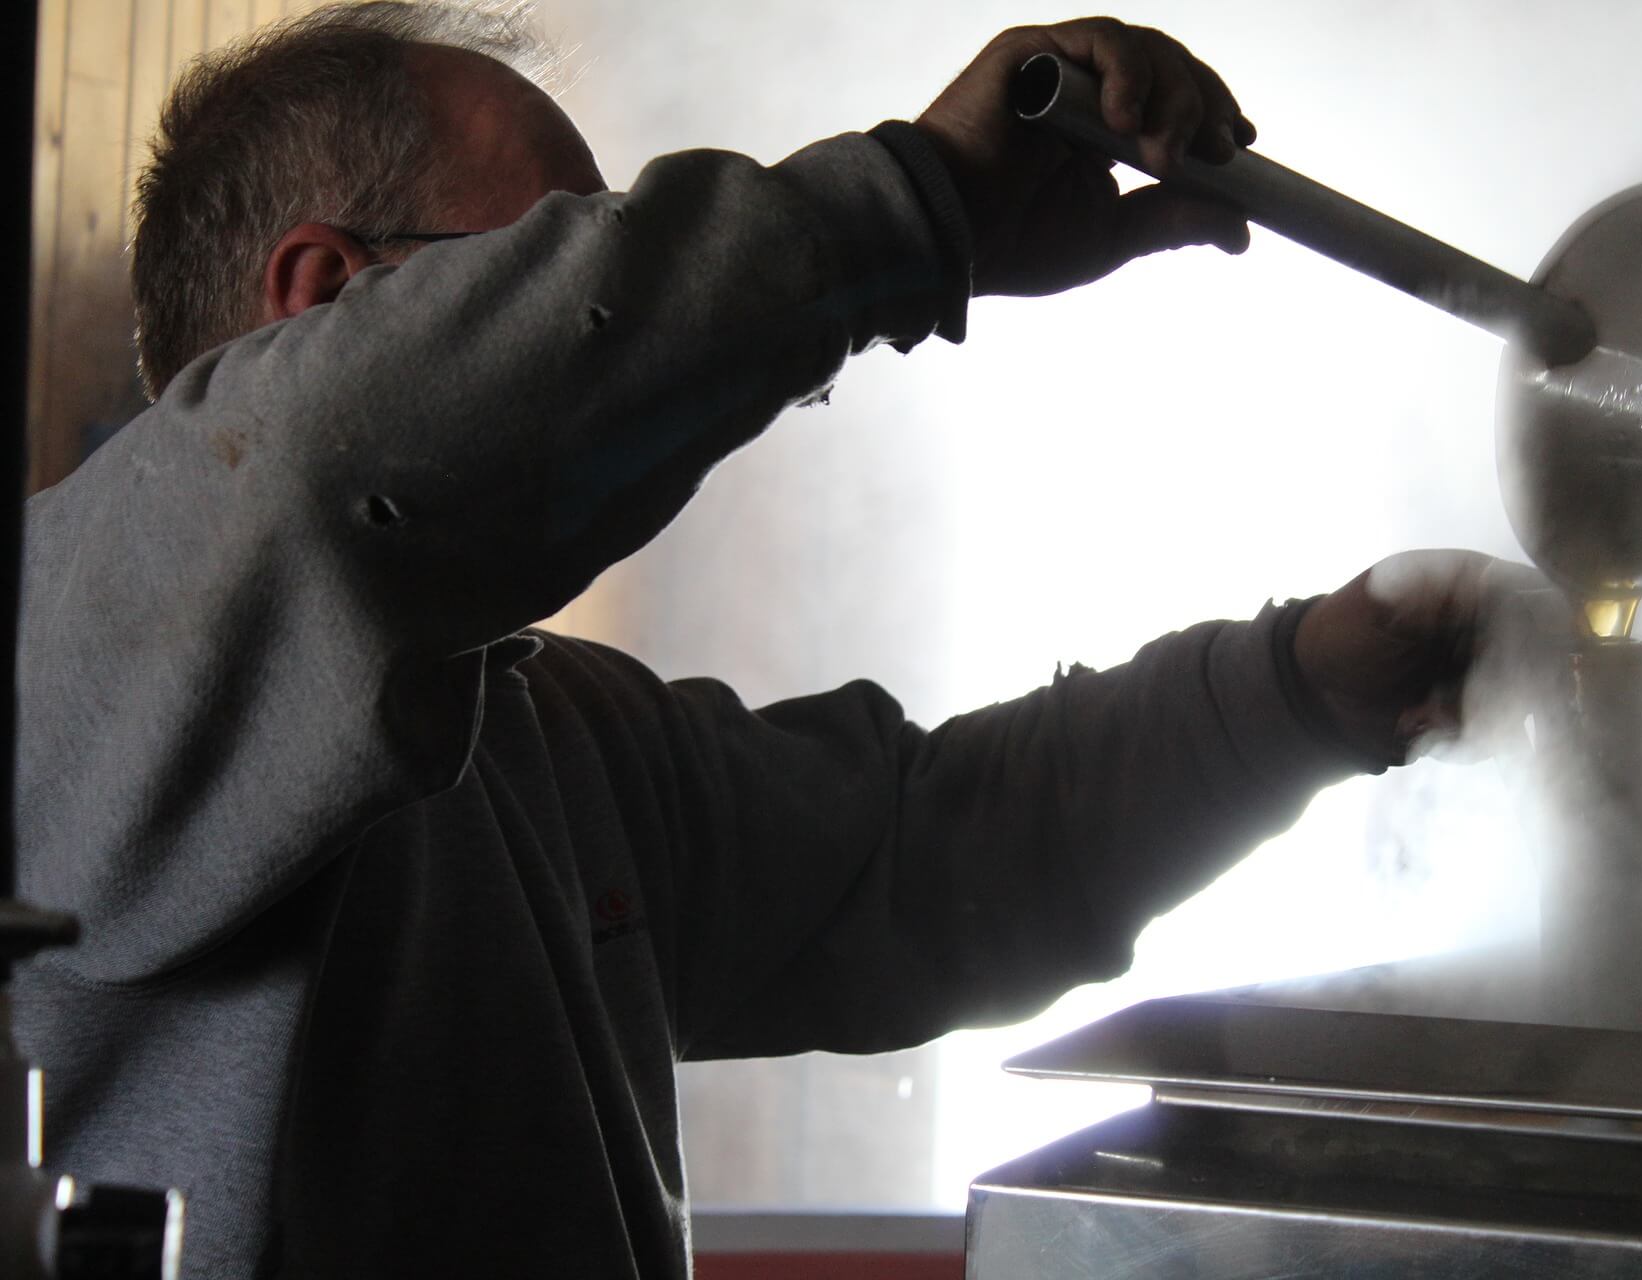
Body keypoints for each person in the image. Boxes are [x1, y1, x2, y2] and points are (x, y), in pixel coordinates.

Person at [13, 4, 1530, 1277]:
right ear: (327, 303)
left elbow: (926, 851)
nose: (636, 303)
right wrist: (913, 202)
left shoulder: (549, 734)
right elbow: (317, 465)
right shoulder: (69, 632)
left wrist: (1297, 692)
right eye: (567, 262)